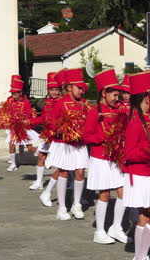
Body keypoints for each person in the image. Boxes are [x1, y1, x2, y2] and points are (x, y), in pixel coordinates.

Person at [123, 70, 150, 260]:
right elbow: (129, 153)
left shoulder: (144, 119)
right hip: (141, 175)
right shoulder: (135, 121)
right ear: (147, 98)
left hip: (146, 174)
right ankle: (140, 257)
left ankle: (139, 257)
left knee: (143, 217)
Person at [84, 69, 130, 244]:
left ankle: (116, 228)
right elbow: (86, 135)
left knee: (123, 192)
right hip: (100, 158)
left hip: (115, 158)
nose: (117, 98)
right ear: (104, 93)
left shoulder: (118, 110)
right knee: (104, 194)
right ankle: (100, 231)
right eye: (114, 95)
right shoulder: (95, 111)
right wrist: (101, 138)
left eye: (118, 95)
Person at [44, 68, 89, 220]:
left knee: (80, 171)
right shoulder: (61, 103)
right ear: (70, 87)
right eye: (79, 88)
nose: (82, 91)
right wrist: (65, 128)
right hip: (64, 143)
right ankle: (62, 208)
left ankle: (77, 204)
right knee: (63, 172)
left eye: (83, 88)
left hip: (79, 143)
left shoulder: (84, 104)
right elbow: (51, 123)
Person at [31, 70, 63, 203]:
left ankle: (71, 183)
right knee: (41, 156)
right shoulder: (47, 102)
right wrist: (30, 121)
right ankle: (39, 181)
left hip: (58, 136)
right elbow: (43, 117)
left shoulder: (62, 102)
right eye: (51, 90)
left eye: (56, 89)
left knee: (63, 163)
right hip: (47, 134)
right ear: (48, 90)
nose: (54, 92)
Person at [5, 75, 38, 172]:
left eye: (15, 94)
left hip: (23, 128)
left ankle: (43, 158)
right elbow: (7, 111)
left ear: (20, 93)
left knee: (30, 147)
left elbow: (29, 115)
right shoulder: (10, 100)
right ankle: (13, 163)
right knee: (11, 144)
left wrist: (22, 120)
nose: (13, 96)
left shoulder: (26, 102)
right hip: (13, 127)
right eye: (12, 94)